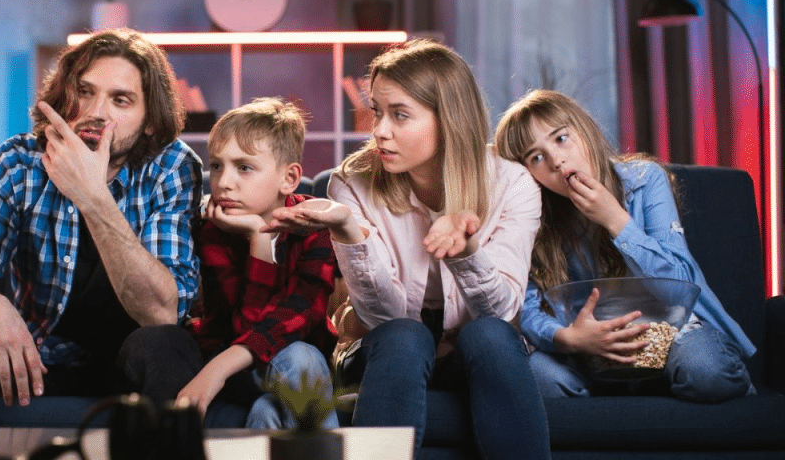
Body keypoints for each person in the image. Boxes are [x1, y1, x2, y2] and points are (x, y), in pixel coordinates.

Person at [0, 28, 205, 424]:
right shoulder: (18, 164)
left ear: (149, 121)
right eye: (85, 91)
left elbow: (163, 311)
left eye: (121, 100)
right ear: (63, 98)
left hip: (129, 367)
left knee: (165, 344)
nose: (96, 111)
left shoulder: (171, 167)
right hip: (36, 361)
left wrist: (93, 196)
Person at [266, 39, 550, 459]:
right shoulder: (351, 184)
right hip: (383, 347)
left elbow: (502, 310)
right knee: (404, 335)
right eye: (377, 112)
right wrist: (350, 231)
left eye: (400, 115)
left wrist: (467, 249)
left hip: (472, 349)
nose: (379, 130)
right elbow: (383, 317)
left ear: (449, 119)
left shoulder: (512, 184)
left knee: (490, 333)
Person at [494, 88, 755, 403]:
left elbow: (681, 281)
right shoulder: (535, 213)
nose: (556, 160)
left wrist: (616, 219)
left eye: (561, 139)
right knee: (536, 376)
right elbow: (526, 308)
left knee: (706, 370)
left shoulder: (646, 180)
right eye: (536, 157)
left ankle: (664, 381)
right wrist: (568, 338)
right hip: (590, 351)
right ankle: (622, 394)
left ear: (584, 130)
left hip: (668, 336)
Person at [177, 98, 339, 429]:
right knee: (296, 361)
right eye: (217, 166)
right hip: (238, 365)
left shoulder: (316, 228)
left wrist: (259, 236)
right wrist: (258, 240)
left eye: (244, 167)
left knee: (274, 401)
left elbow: (295, 321)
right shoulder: (212, 231)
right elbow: (244, 326)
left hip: (292, 368)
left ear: (289, 179)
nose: (223, 182)